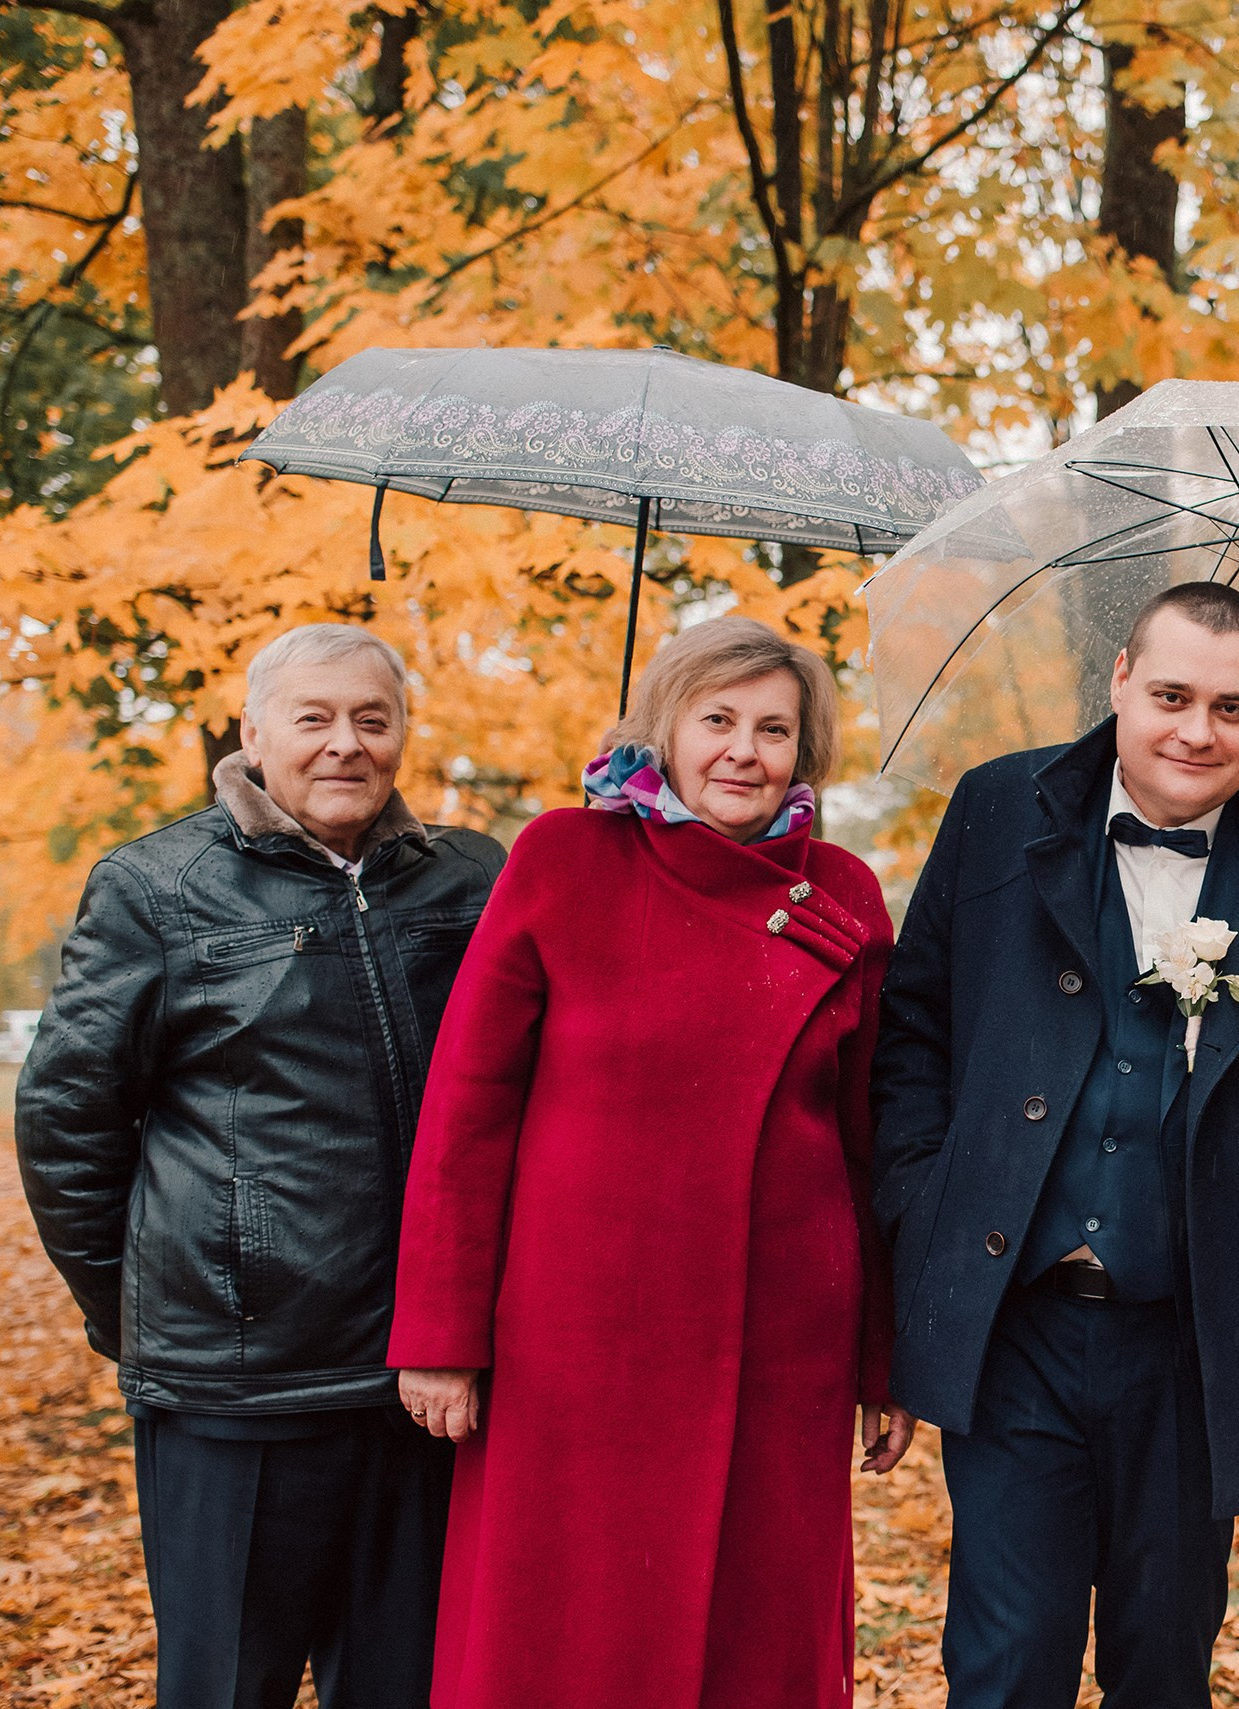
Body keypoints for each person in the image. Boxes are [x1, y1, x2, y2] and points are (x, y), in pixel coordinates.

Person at [873, 580, 1239, 1707]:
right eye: (1169, 695)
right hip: (1015, 1317)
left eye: (1229, 706)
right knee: (1004, 1660)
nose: (1195, 731)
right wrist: (925, 1205)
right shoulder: (995, 809)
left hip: (1196, 1339)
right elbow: (913, 1028)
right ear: (1118, 679)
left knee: (1163, 1664)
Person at [387, 616, 905, 1709]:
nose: (742, 750)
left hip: (782, 1343)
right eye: (716, 719)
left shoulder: (843, 891)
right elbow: (468, 1106)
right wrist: (439, 1334)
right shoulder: (564, 858)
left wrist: (881, 1358)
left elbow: (875, 1142)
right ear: (662, 729)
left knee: (755, 1636)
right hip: (574, 1341)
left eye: (773, 728)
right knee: (562, 1627)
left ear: (803, 752)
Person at [15, 623, 505, 1709]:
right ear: (254, 732)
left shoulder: (475, 877)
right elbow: (66, 1123)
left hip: (427, 1382)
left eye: (372, 720)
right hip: (236, 1385)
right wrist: (144, 1308)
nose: (346, 744)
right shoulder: (158, 885)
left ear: (403, 735)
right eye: (315, 717)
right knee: (225, 1683)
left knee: (410, 1686)